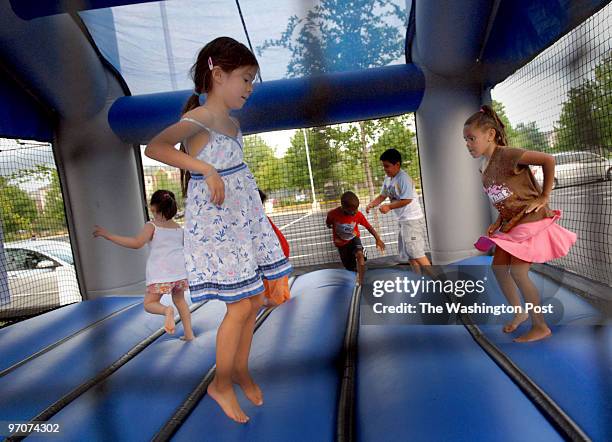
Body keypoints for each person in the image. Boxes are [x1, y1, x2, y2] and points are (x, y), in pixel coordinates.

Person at [145, 37, 292, 423]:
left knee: (255, 300)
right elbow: (156, 148)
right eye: (244, 79)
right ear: (218, 75)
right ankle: (221, 384)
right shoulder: (201, 119)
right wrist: (205, 168)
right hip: (218, 229)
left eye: (252, 80)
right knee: (241, 304)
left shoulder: (231, 123)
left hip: (240, 223)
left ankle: (239, 370)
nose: (249, 88)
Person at [464, 105, 576, 343]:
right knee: (498, 269)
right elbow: (506, 199)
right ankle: (520, 312)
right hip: (511, 225)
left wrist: (544, 196)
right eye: (466, 140)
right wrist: (498, 221)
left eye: (472, 138)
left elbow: (548, 159)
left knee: (518, 271)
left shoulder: (507, 155)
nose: (468, 144)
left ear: (490, 135)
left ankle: (540, 325)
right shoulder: (483, 169)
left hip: (531, 220)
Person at [93, 189, 194, 341]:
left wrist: (109, 236)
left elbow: (137, 243)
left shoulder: (152, 225)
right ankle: (189, 334)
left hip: (162, 274)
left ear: (154, 208)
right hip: (180, 273)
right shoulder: (178, 228)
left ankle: (167, 311)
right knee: (180, 300)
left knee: (150, 303)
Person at [366, 148, 431, 274]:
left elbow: (407, 199)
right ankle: (418, 279)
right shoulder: (388, 179)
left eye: (387, 166)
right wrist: (372, 204)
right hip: (403, 221)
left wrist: (389, 207)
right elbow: (382, 196)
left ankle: (438, 280)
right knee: (409, 253)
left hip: (411, 220)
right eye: (383, 166)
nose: (385, 169)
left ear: (397, 165)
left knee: (416, 252)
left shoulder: (403, 178)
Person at [326, 191, 385, 285]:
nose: (355, 212)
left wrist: (377, 239)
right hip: (341, 244)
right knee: (350, 267)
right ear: (343, 207)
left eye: (356, 209)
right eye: (352, 210)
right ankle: (354, 278)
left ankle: (362, 282)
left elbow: (369, 226)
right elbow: (328, 223)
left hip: (354, 238)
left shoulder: (358, 215)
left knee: (360, 257)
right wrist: (329, 225)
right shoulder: (332, 214)